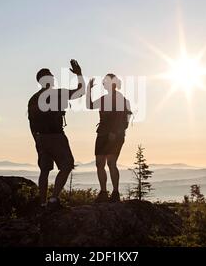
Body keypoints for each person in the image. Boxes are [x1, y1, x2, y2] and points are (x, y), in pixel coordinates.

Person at [28, 59, 85, 210]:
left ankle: (42, 203)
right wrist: (79, 74)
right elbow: (80, 91)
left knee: (44, 170)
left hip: (40, 137)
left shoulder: (33, 99)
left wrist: (37, 139)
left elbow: (31, 123)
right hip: (56, 136)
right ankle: (53, 200)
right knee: (67, 166)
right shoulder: (57, 94)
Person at [87, 73, 132, 202]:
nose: (105, 84)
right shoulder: (104, 99)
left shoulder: (119, 98)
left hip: (114, 135)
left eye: (107, 81)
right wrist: (89, 90)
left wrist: (114, 132)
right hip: (102, 133)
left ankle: (115, 192)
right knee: (100, 163)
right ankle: (103, 192)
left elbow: (121, 118)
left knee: (111, 162)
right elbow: (90, 106)